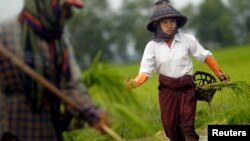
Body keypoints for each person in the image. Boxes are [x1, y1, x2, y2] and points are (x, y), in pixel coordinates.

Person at [0, 0, 110, 141]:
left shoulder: (59, 41)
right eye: (65, 7)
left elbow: (71, 85)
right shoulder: (5, 31)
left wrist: (92, 112)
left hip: (48, 129)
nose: (67, 13)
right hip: (13, 128)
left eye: (70, 9)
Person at [125, 0, 230, 141]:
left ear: (177, 23)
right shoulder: (152, 47)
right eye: (165, 22)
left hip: (187, 89)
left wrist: (218, 72)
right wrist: (134, 83)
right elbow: (146, 71)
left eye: (172, 21)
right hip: (167, 91)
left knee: (187, 127)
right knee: (170, 128)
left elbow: (205, 55)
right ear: (157, 25)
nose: (169, 25)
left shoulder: (187, 40)